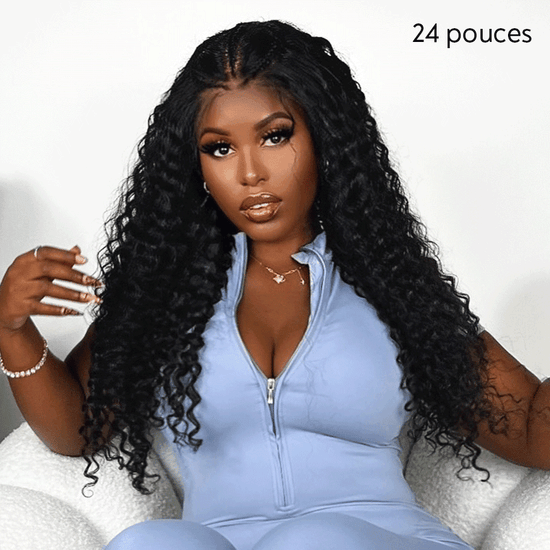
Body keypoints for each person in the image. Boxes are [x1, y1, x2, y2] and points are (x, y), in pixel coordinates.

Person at [0, 20, 547, 550]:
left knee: (307, 540)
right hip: (220, 539)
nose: (250, 173)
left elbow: (527, 428)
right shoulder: (163, 296)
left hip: (377, 539)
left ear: (325, 139)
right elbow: (77, 430)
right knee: (149, 542)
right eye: (219, 148)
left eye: (275, 136)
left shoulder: (393, 286)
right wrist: (13, 329)